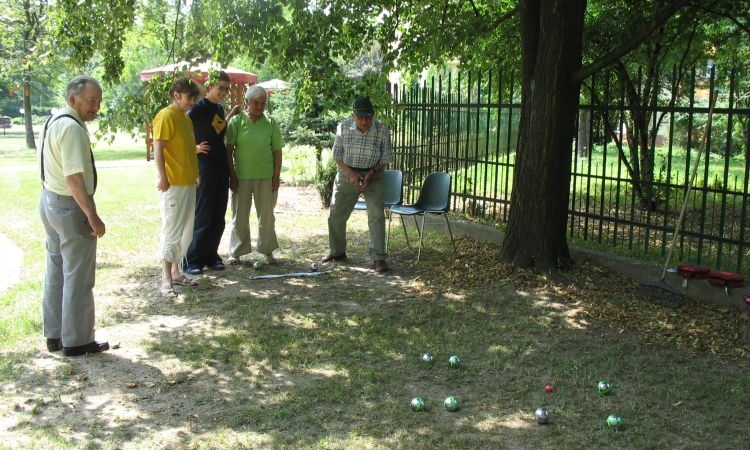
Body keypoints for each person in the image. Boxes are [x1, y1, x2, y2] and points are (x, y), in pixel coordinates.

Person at [38, 76, 109, 356]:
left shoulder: (54, 120)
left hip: (49, 202)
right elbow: (73, 178)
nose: (96, 107)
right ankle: (78, 341)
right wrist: (92, 216)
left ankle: (55, 335)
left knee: (56, 271)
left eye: (99, 102)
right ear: (73, 99)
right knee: (78, 276)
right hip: (69, 206)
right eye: (92, 101)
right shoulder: (71, 128)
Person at [322, 96, 394, 273]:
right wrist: (351, 175)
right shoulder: (343, 127)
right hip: (347, 172)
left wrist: (370, 174)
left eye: (368, 117)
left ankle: (378, 258)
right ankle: (337, 252)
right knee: (336, 214)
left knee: (377, 215)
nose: (364, 121)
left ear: (373, 115)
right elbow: (337, 156)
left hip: (374, 173)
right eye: (360, 117)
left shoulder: (382, 129)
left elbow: (385, 159)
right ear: (353, 115)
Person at [183, 70, 240, 275]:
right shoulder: (197, 108)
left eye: (227, 88)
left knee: (218, 214)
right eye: (221, 88)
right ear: (210, 86)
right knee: (204, 213)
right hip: (204, 167)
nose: (224, 91)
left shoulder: (219, 107)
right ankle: (192, 259)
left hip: (220, 166)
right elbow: (182, 128)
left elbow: (219, 133)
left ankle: (211, 255)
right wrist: (193, 148)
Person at [152, 76, 202, 297]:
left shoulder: (185, 117)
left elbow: (190, 148)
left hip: (188, 181)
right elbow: (158, 149)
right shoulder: (166, 116)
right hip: (173, 183)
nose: (192, 102)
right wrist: (163, 177)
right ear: (176, 95)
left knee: (185, 231)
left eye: (193, 98)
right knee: (172, 229)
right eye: (189, 97)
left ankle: (175, 272)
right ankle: (165, 280)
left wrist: (196, 173)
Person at [225, 85, 283, 265]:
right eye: (256, 103)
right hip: (241, 176)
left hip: (265, 176)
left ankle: (267, 251)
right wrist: (232, 176)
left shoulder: (271, 122)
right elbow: (228, 150)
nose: (259, 107)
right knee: (239, 216)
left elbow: (277, 151)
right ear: (247, 102)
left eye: (263, 103)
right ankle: (236, 252)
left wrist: (276, 176)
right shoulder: (236, 122)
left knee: (266, 216)